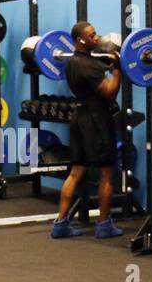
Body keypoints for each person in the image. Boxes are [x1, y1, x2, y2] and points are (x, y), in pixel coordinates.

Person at [51, 21, 124, 239]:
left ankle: (60, 224)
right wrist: (119, 70)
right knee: (106, 173)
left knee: (76, 172)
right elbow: (109, 91)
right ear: (80, 40)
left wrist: (109, 66)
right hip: (96, 121)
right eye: (92, 36)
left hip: (79, 117)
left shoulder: (75, 62)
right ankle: (103, 225)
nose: (96, 38)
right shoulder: (89, 66)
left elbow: (94, 79)